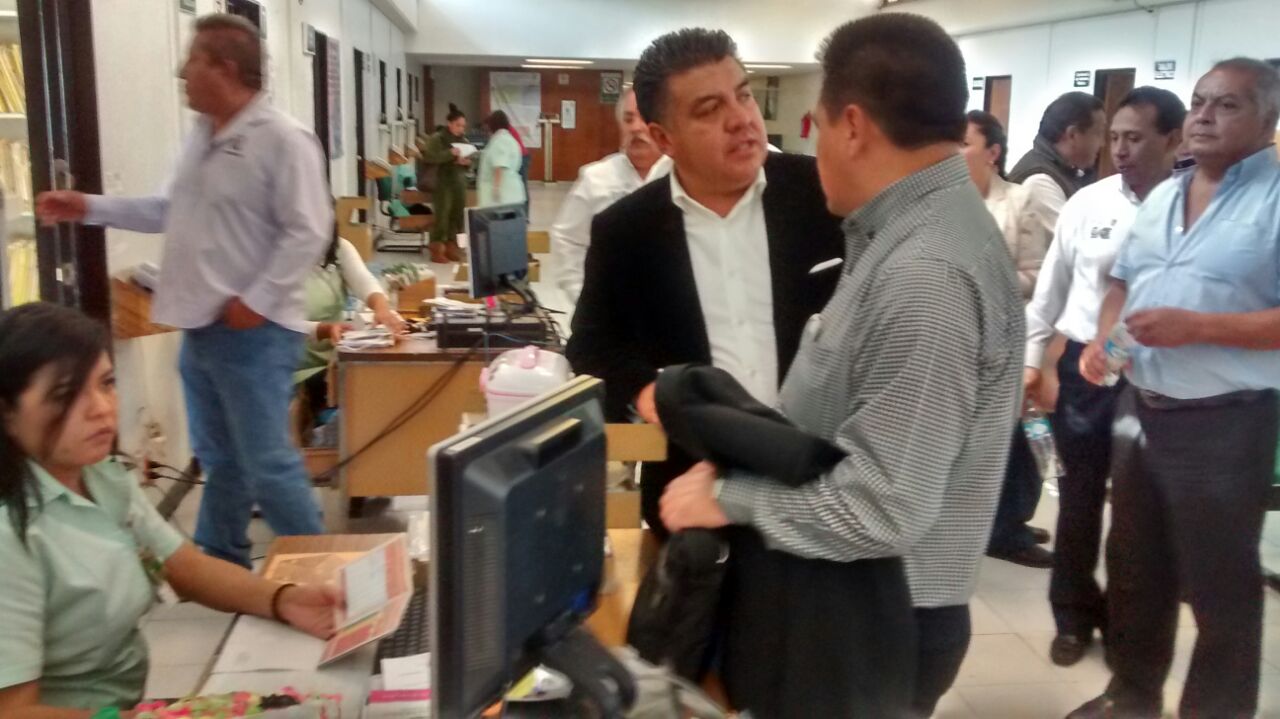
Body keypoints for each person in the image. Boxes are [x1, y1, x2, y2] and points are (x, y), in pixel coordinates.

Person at [659, 14, 1023, 718]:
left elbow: (883, 505)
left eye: (816, 125)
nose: (812, 145)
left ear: (852, 126)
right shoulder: (899, 234)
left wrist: (731, 499)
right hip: (848, 605)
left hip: (874, 621)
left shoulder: (927, 273)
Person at [34, 14, 331, 569]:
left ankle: (322, 570)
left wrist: (257, 301)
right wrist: (88, 207)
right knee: (221, 460)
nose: (181, 72)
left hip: (255, 332)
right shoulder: (201, 137)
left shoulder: (282, 140)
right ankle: (221, 566)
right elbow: (167, 210)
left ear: (225, 67)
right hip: (201, 326)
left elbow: (309, 231)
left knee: (267, 464)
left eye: (192, 60)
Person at [565, 28, 844, 539]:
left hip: (822, 488)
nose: (741, 119)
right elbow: (592, 347)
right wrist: (653, 394)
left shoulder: (824, 194)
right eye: (709, 109)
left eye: (743, 95)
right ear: (664, 138)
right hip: (696, 493)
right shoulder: (626, 231)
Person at [0, 303, 340, 717]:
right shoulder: (10, 533)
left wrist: (284, 599)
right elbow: (13, 711)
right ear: (7, 413)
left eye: (106, 383)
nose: (101, 408)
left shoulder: (102, 476)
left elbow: (185, 567)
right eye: (64, 394)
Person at [1070, 58, 1280, 719]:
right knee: (1135, 567)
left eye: (1227, 105)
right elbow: (1123, 283)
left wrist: (1201, 327)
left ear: (1268, 120)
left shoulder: (1275, 199)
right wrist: (1103, 341)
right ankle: (1131, 696)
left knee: (1220, 586)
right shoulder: (1163, 195)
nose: (1204, 116)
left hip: (1226, 422)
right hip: (1143, 407)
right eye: (1198, 102)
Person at [1025, 87, 1185, 668]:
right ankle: (1071, 617)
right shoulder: (1088, 204)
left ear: (1173, 139)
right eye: (1114, 137)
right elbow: (1051, 290)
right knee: (1079, 498)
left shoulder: (1191, 207)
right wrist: (1032, 360)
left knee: (1138, 512)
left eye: (1134, 138)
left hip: (1156, 375)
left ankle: (1126, 626)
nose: (1119, 150)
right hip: (1086, 371)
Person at [962, 109, 1055, 570]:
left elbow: (1038, 275)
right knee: (972, 439)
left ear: (992, 152)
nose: (955, 152)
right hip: (960, 338)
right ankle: (982, 520)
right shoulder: (945, 201)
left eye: (965, 143)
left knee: (1022, 436)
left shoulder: (1019, 201)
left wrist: (986, 277)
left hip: (1009, 337)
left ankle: (1010, 526)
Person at [551, 87, 672, 306]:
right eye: (628, 119)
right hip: (610, 311)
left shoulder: (686, 177)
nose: (635, 127)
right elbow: (567, 239)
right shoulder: (596, 179)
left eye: (644, 117)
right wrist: (584, 298)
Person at [296, 236, 406, 420]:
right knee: (366, 389)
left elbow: (365, 281)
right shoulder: (272, 255)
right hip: (296, 366)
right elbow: (274, 323)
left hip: (335, 358)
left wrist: (381, 309)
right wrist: (323, 329)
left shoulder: (338, 247)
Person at [1009, 91, 1107, 237]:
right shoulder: (1039, 182)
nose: (1103, 143)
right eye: (1098, 133)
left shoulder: (1063, 171)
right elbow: (1076, 243)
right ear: (1073, 135)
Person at [416, 104, 470, 263]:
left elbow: (471, 159)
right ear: (449, 123)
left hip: (459, 181)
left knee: (457, 216)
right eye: (458, 125)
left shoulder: (463, 140)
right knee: (443, 215)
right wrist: (449, 153)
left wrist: (467, 162)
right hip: (442, 182)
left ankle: (452, 246)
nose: (461, 129)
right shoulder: (437, 138)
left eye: (463, 126)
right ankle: (437, 248)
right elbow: (429, 157)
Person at [477, 110, 527, 208]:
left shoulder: (500, 141)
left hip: (501, 195)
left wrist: (496, 189)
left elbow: (499, 165)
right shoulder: (510, 139)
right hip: (510, 192)